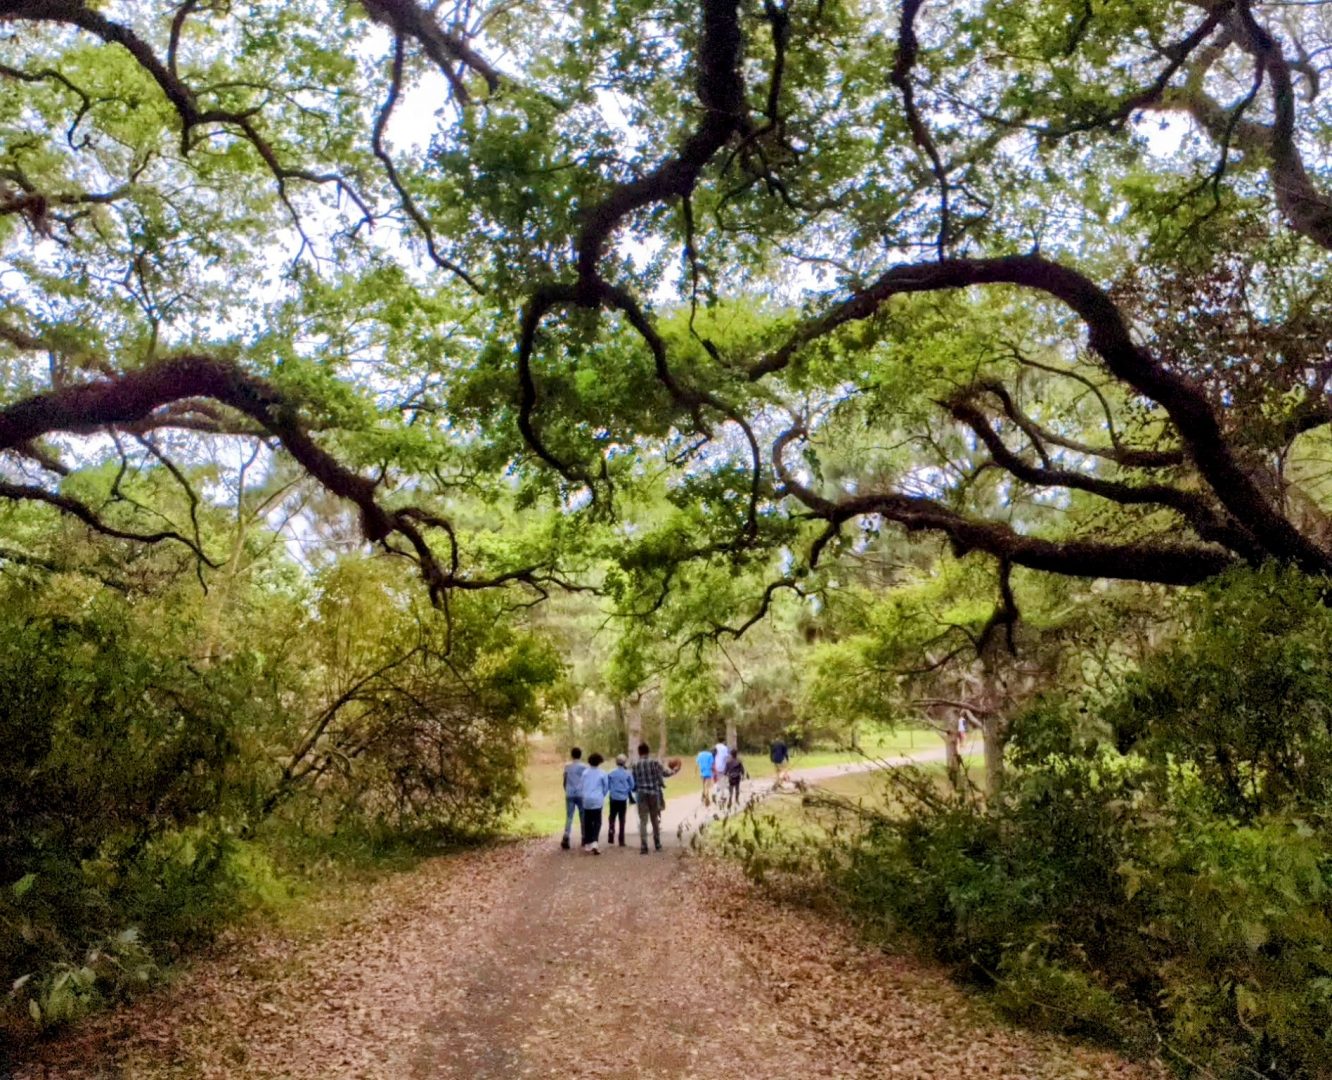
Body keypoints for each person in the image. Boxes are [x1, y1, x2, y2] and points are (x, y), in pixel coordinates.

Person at [631, 741, 679, 853]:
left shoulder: (635, 765)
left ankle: (644, 846)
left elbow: (633, 782)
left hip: (641, 794)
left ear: (639, 752)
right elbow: (665, 773)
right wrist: (674, 771)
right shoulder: (655, 763)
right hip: (654, 793)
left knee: (643, 820)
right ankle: (657, 844)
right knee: (654, 819)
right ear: (648, 751)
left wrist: (635, 789)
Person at [579, 752, 609, 854]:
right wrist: (602, 795)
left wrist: (584, 795)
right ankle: (595, 842)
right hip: (597, 799)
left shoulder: (585, 773)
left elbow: (581, 786)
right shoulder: (602, 773)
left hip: (587, 799)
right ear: (599, 762)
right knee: (597, 821)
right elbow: (606, 787)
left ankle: (588, 844)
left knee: (587, 821)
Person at [606, 753, 635, 846]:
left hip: (613, 797)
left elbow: (607, 785)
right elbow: (632, 785)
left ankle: (611, 832)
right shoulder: (627, 773)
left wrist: (612, 790)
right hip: (623, 798)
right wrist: (626, 790)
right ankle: (621, 840)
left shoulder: (611, 773)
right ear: (624, 762)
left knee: (612, 816)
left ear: (616, 762)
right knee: (622, 819)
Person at [561, 746, 587, 850]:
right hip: (580, 794)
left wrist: (566, 790)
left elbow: (565, 780)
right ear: (580, 755)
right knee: (582, 816)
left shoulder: (567, 766)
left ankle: (566, 837)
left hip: (570, 793)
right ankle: (584, 837)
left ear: (572, 755)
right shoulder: (584, 767)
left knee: (569, 816)